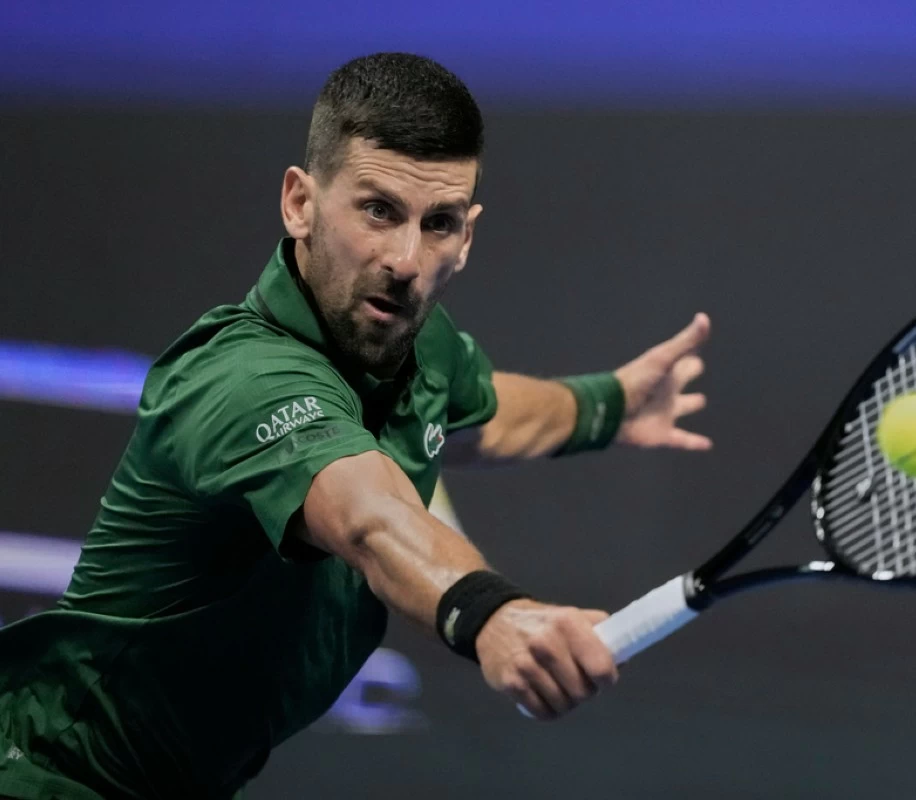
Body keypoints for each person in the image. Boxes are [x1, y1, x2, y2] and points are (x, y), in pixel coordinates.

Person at [0, 52, 712, 799]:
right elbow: (368, 515)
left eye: (437, 224)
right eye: (378, 210)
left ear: (466, 237)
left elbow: (484, 414)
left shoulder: (414, 339)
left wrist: (611, 405)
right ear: (300, 203)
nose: (406, 259)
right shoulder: (241, 378)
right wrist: (493, 614)